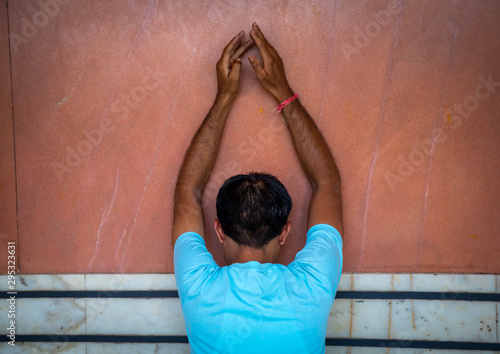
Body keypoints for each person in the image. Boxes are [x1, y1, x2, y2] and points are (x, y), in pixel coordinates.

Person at [172, 22, 343, 354]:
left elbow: (187, 191)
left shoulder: (199, 290)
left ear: (218, 230)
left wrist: (223, 98)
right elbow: (327, 183)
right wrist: (283, 92)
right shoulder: (313, 286)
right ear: (285, 232)